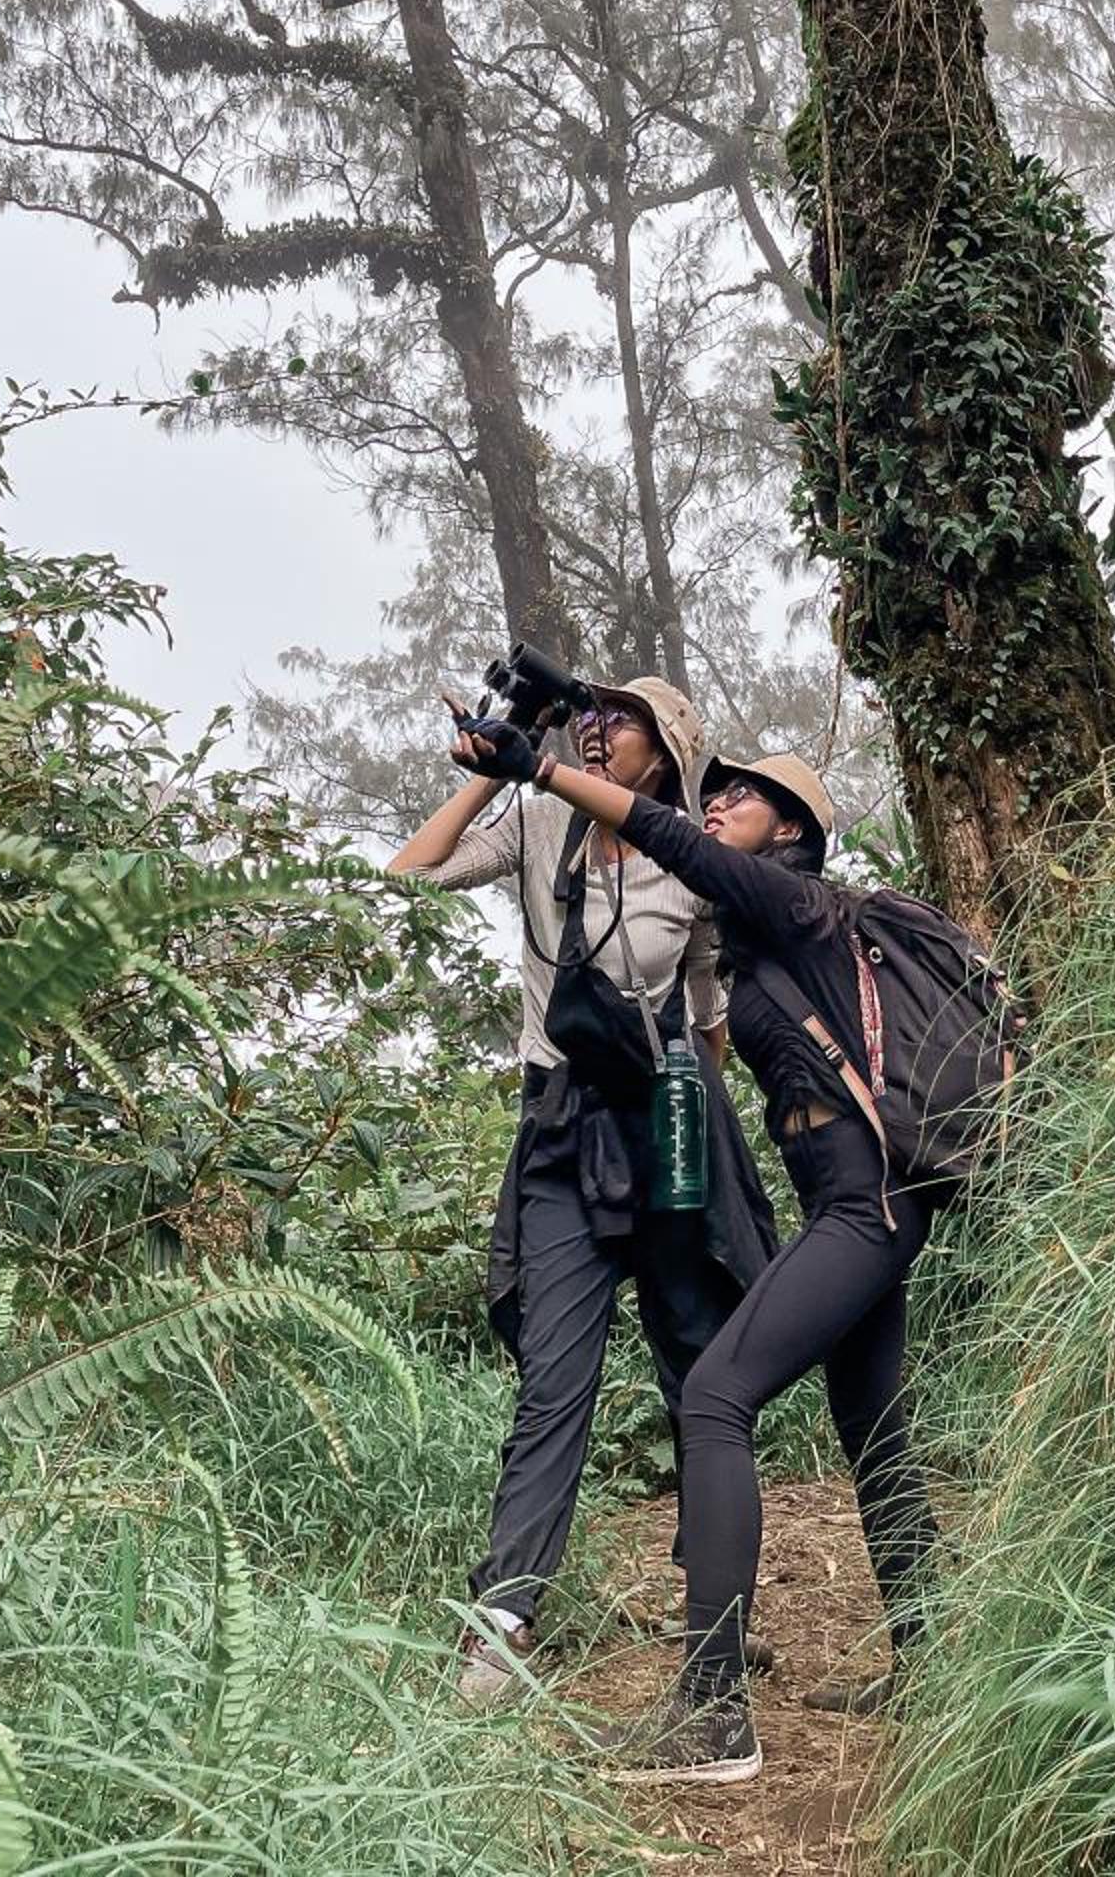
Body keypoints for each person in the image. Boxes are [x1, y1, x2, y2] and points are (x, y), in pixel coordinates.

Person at [448, 716, 940, 1788]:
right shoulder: (761, 928)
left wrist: (546, 767)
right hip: (856, 1199)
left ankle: (714, 1715)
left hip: (864, 1205)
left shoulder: (792, 900)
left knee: (715, 1395)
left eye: (744, 796)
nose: (718, 802)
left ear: (791, 831)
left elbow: (669, 842)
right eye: (714, 790)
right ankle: (936, 1663)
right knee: (873, 1430)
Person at [393, 676, 777, 1700]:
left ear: (668, 753)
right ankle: (504, 1617)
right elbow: (412, 873)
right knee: (554, 1378)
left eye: (625, 720)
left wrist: (698, 1133)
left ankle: (716, 1607)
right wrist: (494, 768)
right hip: (564, 1128)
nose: (600, 729)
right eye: (593, 715)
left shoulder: (688, 860)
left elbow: (708, 1020)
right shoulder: (542, 823)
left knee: (697, 1365)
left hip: (665, 1130)